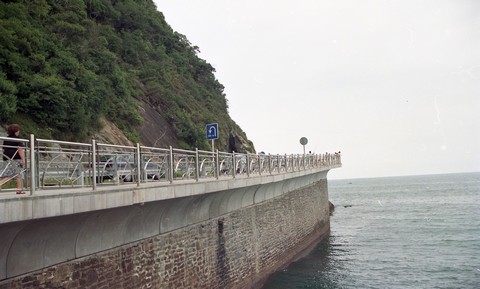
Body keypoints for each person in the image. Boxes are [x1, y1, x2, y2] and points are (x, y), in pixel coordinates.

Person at [1, 124, 25, 194]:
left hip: (6, 158)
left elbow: (4, 148)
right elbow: (20, 149)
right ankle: (19, 189)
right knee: (18, 173)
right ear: (16, 131)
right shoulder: (18, 139)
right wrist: (23, 159)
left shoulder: (7, 139)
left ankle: (19, 189)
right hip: (16, 158)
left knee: (6, 173)